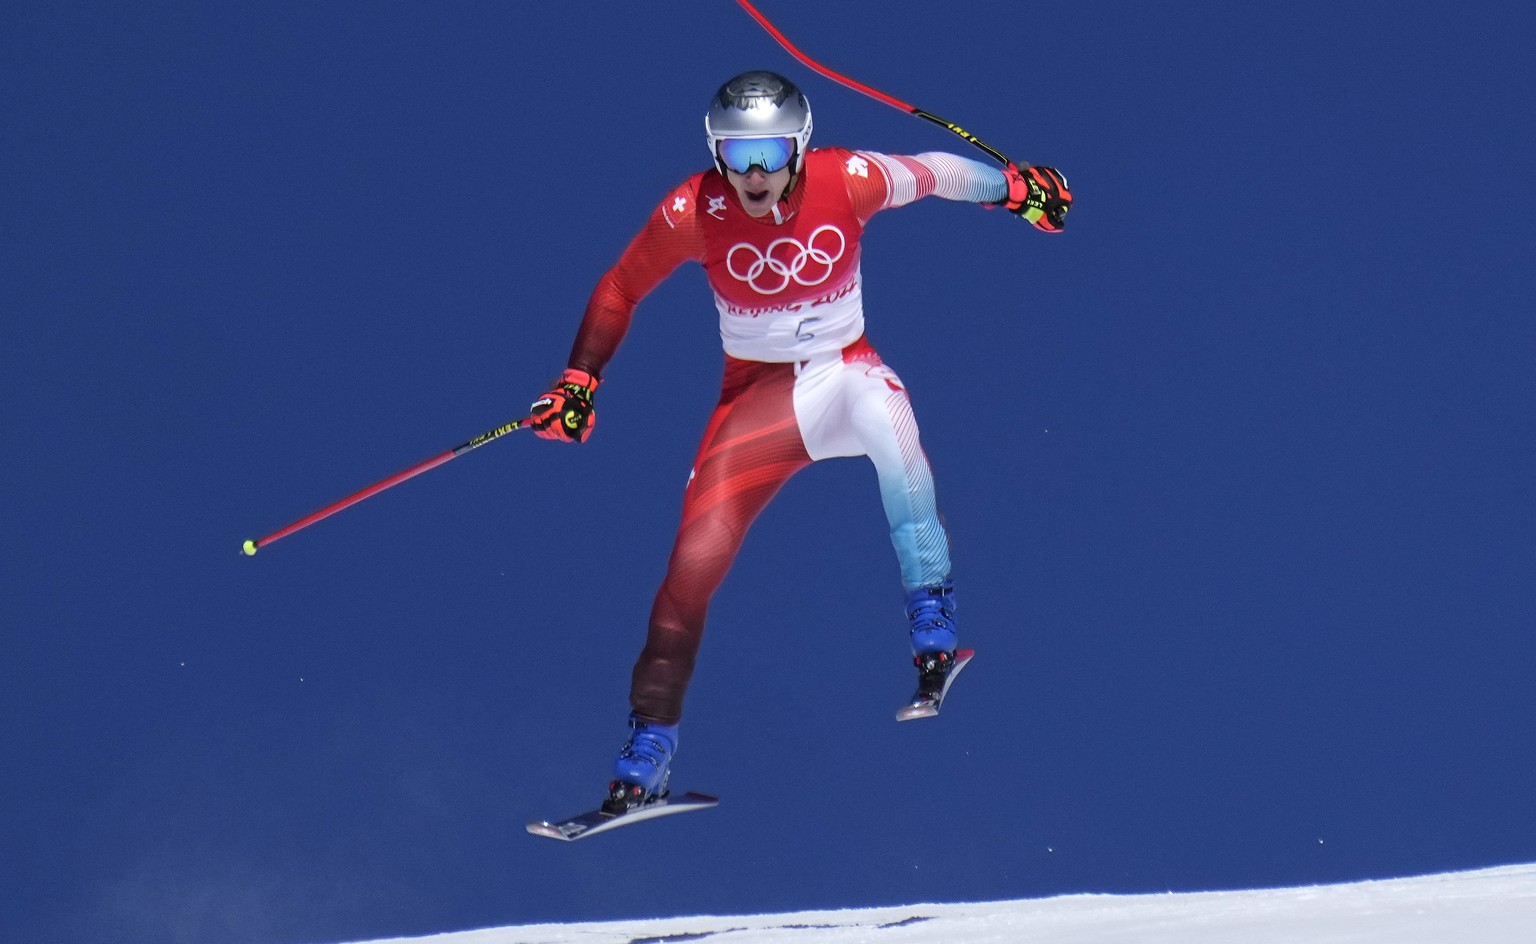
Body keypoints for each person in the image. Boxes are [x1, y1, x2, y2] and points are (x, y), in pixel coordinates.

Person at [527, 70, 1071, 812]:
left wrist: (1014, 192)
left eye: (772, 149)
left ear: (800, 145)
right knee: (691, 566)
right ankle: (646, 753)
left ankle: (932, 632)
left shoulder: (844, 178)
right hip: (757, 402)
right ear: (715, 152)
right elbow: (620, 288)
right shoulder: (694, 208)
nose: (754, 172)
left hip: (846, 370)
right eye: (737, 152)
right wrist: (579, 379)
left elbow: (937, 171)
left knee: (892, 426)